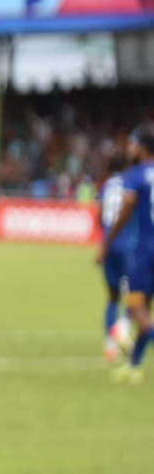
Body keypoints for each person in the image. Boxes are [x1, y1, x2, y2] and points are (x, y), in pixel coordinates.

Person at [101, 128, 154, 384]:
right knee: (146, 309)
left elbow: (127, 207)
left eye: (133, 144)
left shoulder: (136, 175)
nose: (130, 149)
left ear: (143, 148)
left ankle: (125, 348)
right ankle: (133, 366)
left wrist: (108, 241)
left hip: (143, 253)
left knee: (136, 309)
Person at [98, 153, 139, 362]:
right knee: (138, 294)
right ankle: (122, 327)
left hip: (108, 243)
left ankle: (110, 347)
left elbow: (100, 216)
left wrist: (103, 246)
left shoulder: (107, 186)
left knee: (113, 297)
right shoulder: (132, 182)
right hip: (127, 243)